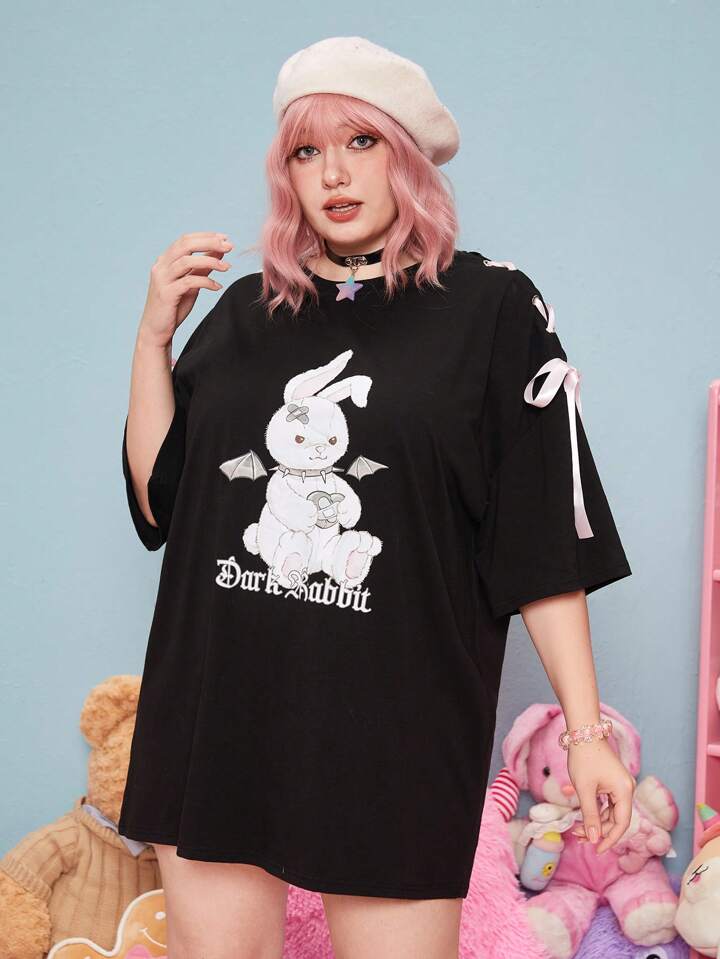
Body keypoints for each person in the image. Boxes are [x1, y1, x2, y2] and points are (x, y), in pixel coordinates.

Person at [119, 35, 635, 959]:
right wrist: (153, 339)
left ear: (407, 157)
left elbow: (540, 545)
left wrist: (586, 731)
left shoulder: (493, 310)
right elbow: (163, 503)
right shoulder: (244, 313)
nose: (333, 173)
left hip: (397, 725)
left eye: (360, 142)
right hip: (219, 710)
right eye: (306, 151)